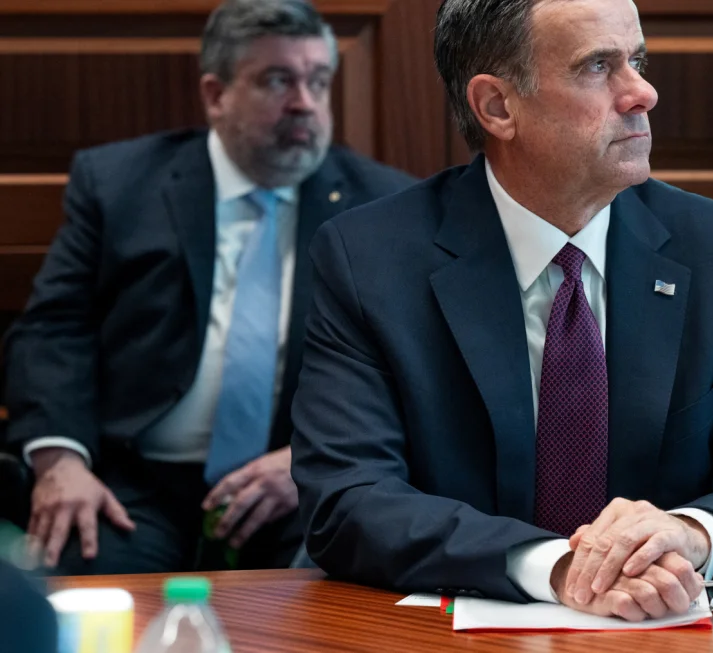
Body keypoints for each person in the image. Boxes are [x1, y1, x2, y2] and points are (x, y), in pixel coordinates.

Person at [291, 0, 713, 622]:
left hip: (666, 629)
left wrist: (691, 532)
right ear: (498, 107)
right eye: (598, 67)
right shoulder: (370, 259)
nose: (643, 94)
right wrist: (553, 565)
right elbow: (348, 498)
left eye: (636, 60)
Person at [3, 0, 414, 575]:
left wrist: (318, 461)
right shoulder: (120, 184)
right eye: (278, 80)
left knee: (330, 597)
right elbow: (53, 329)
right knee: (94, 581)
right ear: (216, 95)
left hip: (297, 481)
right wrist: (58, 461)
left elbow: (411, 363)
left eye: (318, 81)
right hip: (137, 480)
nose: (305, 103)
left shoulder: (383, 205)